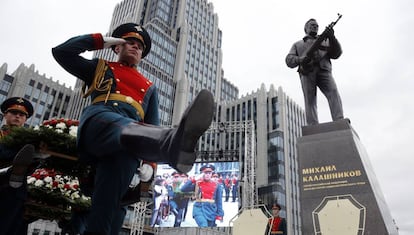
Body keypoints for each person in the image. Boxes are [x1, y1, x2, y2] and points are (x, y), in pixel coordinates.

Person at [52, 22, 214, 234]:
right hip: (100, 125)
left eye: (139, 45)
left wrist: (149, 163)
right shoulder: (101, 68)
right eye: (129, 42)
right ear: (117, 47)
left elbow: (151, 123)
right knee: (121, 126)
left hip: (127, 147)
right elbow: (61, 52)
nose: (135, 46)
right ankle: (172, 143)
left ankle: (170, 143)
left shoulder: (149, 87)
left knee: (108, 209)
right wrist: (100, 41)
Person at [285, 18, 344, 125]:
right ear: (305, 28)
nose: (315, 27)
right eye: (312, 25)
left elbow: (337, 53)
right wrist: (300, 59)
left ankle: (339, 119)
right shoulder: (297, 44)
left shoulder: (326, 41)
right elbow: (289, 60)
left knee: (333, 92)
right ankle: (312, 125)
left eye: (316, 26)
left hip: (324, 71)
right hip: (307, 72)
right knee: (310, 100)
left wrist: (332, 37)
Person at [0, 97, 35, 235]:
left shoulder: (31, 140)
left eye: (22, 115)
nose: (18, 116)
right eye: (14, 113)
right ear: (5, 115)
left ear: (25, 119)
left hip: (16, 190)